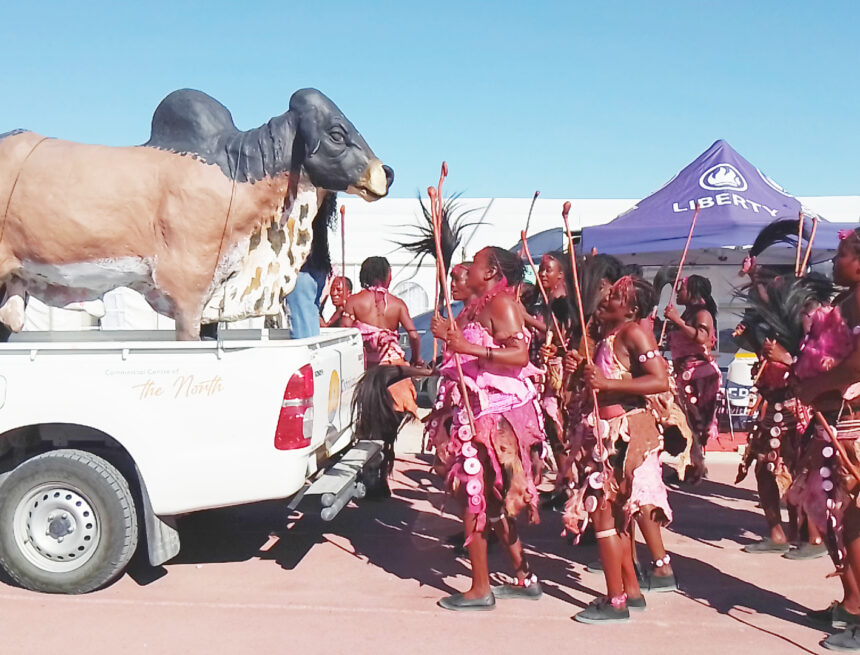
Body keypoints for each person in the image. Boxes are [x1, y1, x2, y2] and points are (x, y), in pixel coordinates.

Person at [432, 246, 545, 611]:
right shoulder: (475, 307)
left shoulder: (504, 304)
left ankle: (480, 588)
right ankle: (525, 578)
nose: (469, 269)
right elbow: (462, 350)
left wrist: (469, 347)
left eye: (477, 263)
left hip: (497, 417)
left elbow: (520, 356)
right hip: (474, 413)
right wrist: (448, 336)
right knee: (491, 503)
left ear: (492, 271)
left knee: (475, 497)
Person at [564, 275, 671, 623]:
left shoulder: (634, 332)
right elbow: (601, 386)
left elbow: (659, 379)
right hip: (606, 433)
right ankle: (631, 592)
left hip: (626, 433)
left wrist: (606, 381)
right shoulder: (609, 337)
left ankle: (616, 601)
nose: (606, 298)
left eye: (616, 296)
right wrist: (581, 372)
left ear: (632, 309)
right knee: (617, 518)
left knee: (604, 516)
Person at [792, 229, 860, 650]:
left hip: (855, 425)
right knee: (838, 516)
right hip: (835, 422)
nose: (834, 262)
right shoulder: (845, 302)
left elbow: (857, 365)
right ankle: (852, 604)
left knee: (855, 517)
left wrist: (815, 387)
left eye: (841, 255)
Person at [342, 257, 423, 496]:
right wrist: (416, 359)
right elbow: (414, 335)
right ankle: (382, 474)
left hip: (365, 369)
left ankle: (368, 472)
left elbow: (344, 334)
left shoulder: (354, 302)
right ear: (387, 275)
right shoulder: (397, 304)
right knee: (388, 431)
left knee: (366, 428)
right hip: (393, 370)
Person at [663, 275, 720, 482]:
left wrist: (677, 320)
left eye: (682, 288)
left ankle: (695, 468)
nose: (678, 292)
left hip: (700, 377)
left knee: (696, 423)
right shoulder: (689, 313)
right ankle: (694, 465)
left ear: (693, 291)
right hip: (686, 376)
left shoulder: (702, 314)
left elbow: (702, 337)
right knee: (686, 422)